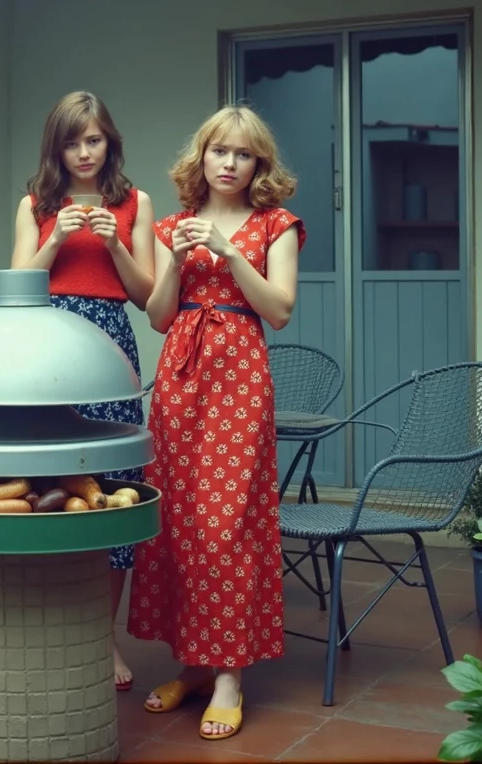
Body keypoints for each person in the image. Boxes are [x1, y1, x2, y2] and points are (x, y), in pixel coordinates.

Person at [128, 104, 303, 741]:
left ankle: (230, 673)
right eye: (219, 151)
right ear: (201, 157)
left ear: (259, 164)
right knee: (180, 519)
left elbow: (279, 309)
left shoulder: (275, 224)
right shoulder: (174, 223)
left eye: (243, 154)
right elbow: (157, 315)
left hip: (239, 375)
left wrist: (230, 253)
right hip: (179, 376)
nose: (229, 164)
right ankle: (196, 664)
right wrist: (173, 259)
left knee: (227, 521)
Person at [11, 91, 155, 691]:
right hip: (50, 349)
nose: (83, 153)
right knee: (48, 487)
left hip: (112, 342)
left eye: (93, 140)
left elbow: (148, 296)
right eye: (72, 142)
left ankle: (102, 637)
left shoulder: (135, 201)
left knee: (113, 489)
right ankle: (49, 627)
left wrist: (115, 242)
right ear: (57, 148)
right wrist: (55, 239)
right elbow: (17, 288)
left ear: (109, 141)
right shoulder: (35, 202)